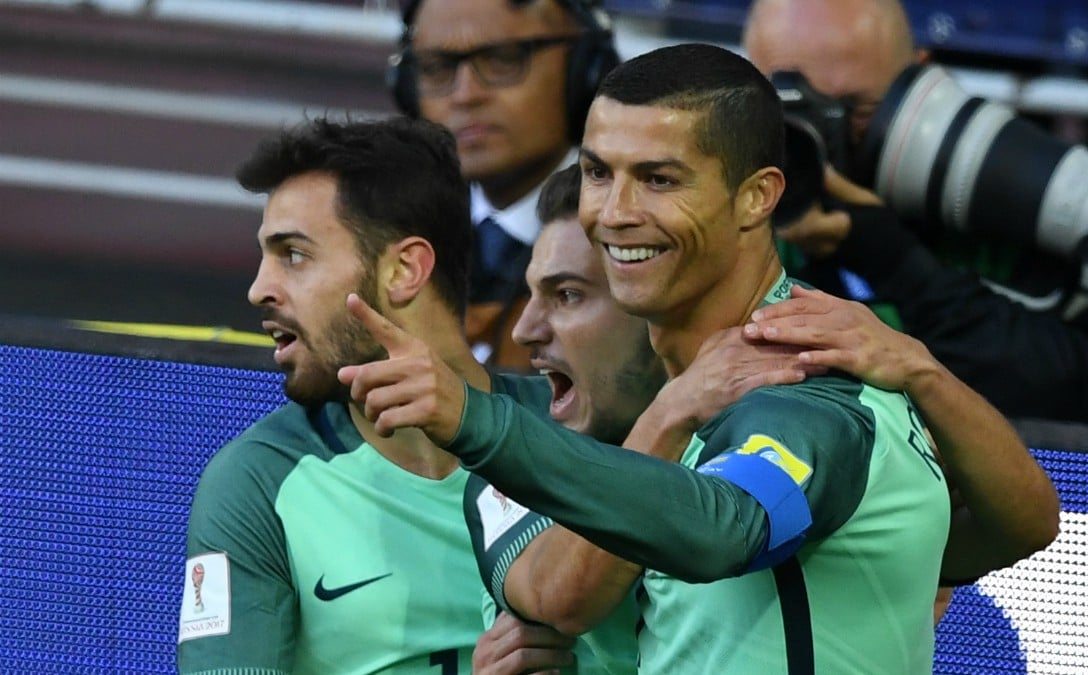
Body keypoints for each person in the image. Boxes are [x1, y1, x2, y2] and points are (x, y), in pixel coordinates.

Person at [341, 44, 956, 673]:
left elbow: (725, 530)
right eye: (599, 173)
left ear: (755, 198)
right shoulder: (606, 417)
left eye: (658, 179)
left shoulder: (804, 389)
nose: (614, 214)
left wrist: (472, 421)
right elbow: (563, 600)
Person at [470, 164, 1059, 671]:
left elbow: (1023, 527)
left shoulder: (796, 417)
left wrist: (923, 371)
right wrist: (669, 414)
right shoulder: (519, 442)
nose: (526, 330)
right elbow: (560, 596)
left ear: (646, 297)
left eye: (567, 295)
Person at [743, 0, 1088, 432]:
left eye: (852, 112)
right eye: (785, 114)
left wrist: (894, 261)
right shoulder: (726, 219)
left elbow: (1069, 403)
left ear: (921, 84)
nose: (815, 140)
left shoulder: (1015, 204)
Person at [176, 114, 515, 674]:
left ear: (405, 270)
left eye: (294, 254)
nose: (260, 288)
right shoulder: (257, 481)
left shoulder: (569, 432)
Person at [390, 0, 620, 370]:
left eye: (504, 59)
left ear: (586, 70)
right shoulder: (393, 236)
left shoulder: (630, 236)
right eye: (437, 68)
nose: (465, 95)